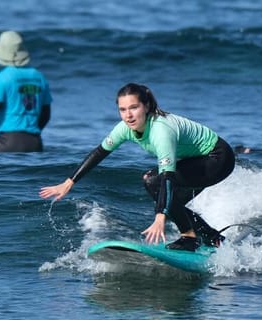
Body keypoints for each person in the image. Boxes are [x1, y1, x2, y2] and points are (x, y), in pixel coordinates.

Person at [38, 83, 235, 252]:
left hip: (218, 159)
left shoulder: (161, 130)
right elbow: (99, 153)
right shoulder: (125, 128)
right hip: (196, 160)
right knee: (168, 198)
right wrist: (69, 182)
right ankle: (211, 238)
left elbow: (168, 177)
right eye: (122, 110)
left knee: (153, 182)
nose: (128, 115)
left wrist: (160, 217)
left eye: (134, 108)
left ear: (146, 106)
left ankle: (190, 238)